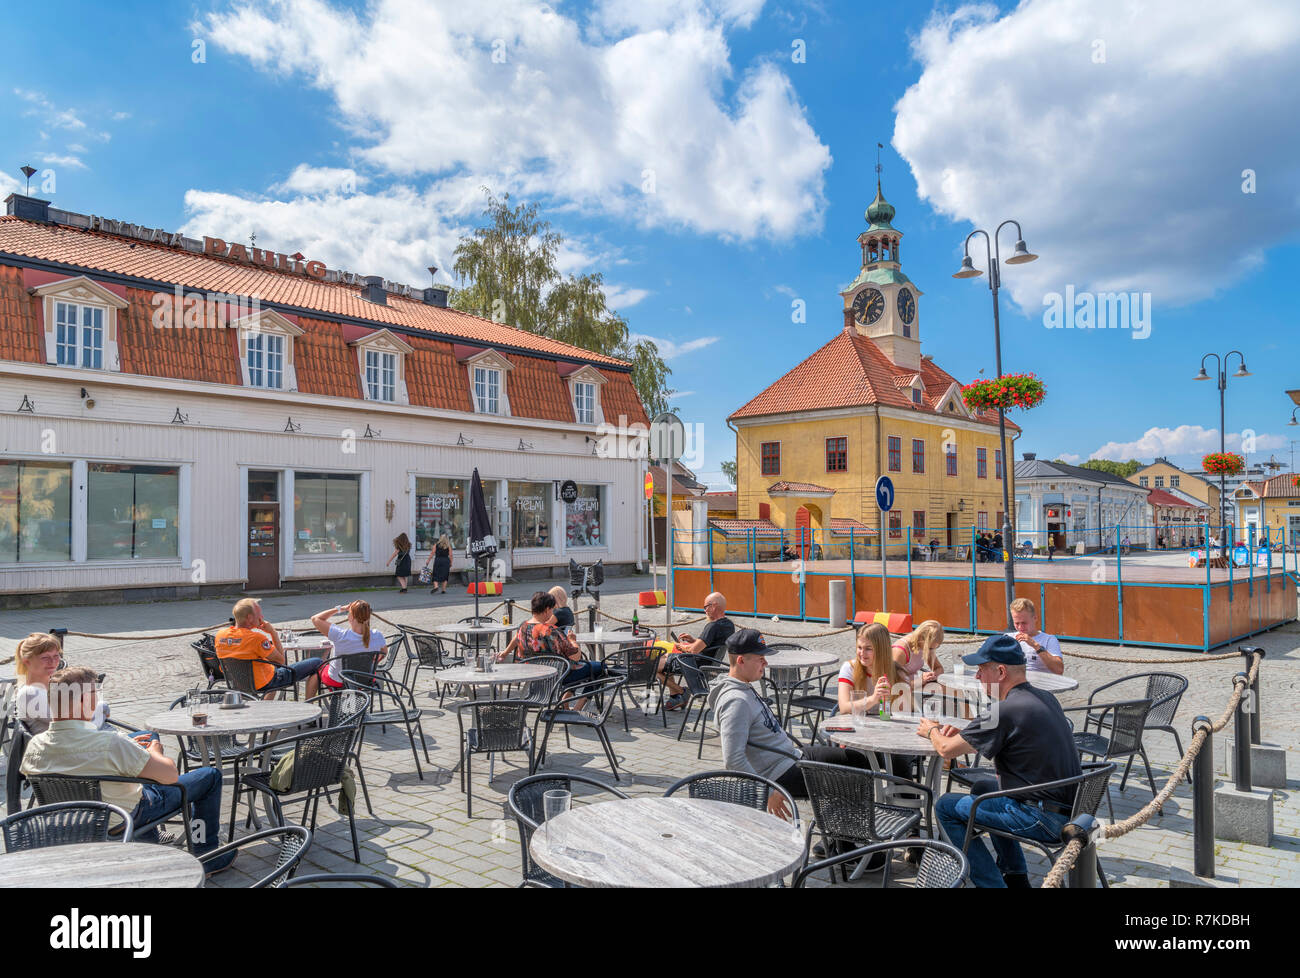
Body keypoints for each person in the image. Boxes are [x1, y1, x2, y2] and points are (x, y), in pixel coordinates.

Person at [21, 666, 236, 875]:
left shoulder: (34, 746)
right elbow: (170, 776)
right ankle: (207, 855)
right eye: (96, 693)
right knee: (209, 777)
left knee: (145, 738)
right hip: (122, 816)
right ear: (84, 700)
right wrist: (154, 752)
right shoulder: (110, 744)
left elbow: (79, 755)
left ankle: (150, 847)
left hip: (70, 820)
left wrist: (131, 747)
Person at [920, 635, 1082, 888]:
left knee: (945, 806)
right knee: (984, 788)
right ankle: (1015, 875)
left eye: (982, 669)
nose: (977, 677)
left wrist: (931, 730)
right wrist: (966, 733)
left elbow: (946, 750)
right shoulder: (1045, 698)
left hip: (1039, 818)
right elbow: (1007, 738)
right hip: (1068, 811)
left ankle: (991, 885)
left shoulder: (1003, 711)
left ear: (1001, 671)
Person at [712, 629, 875, 820]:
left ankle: (833, 835)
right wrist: (768, 791)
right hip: (778, 774)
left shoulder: (744, 686)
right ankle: (841, 842)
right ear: (741, 661)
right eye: (760, 658)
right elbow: (733, 759)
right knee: (852, 778)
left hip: (790, 756)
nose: (765, 663)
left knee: (857, 761)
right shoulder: (736, 701)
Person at [216, 598, 325, 699]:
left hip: (238, 682)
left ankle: (265, 707)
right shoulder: (256, 638)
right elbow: (281, 661)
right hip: (266, 682)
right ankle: (308, 706)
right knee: (318, 663)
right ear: (249, 618)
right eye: (259, 614)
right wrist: (273, 633)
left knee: (271, 667)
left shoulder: (220, 635)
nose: (262, 617)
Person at [515, 590, 606, 707]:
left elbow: (520, 655)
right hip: (558, 675)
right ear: (547, 609)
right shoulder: (550, 630)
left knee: (575, 665)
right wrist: (573, 640)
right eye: (552, 610)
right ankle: (579, 706)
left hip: (533, 675)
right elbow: (575, 656)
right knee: (600, 667)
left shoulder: (522, 628)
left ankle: (566, 702)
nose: (552, 612)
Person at [13, 632, 110, 734]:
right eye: (45, 658)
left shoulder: (49, 686)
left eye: (56, 656)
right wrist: (102, 707)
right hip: (68, 745)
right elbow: (73, 723)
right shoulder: (30, 693)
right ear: (27, 661)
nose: (53, 662)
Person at [661, 591, 734, 710]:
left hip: (694, 664)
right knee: (665, 659)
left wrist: (681, 646)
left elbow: (693, 651)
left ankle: (681, 692)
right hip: (709, 662)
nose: (704, 610)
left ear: (714, 605)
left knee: (653, 665)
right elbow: (707, 644)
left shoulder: (713, 626)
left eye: (706, 607)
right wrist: (693, 640)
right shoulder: (729, 625)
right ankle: (675, 698)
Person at [310, 600, 386, 691]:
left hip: (339, 679)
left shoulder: (340, 635)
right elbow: (384, 652)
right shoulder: (378, 635)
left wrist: (340, 609)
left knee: (315, 672)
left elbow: (315, 618)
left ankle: (309, 704)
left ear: (351, 616)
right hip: (365, 679)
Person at [835, 622, 899, 716]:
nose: (862, 653)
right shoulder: (849, 668)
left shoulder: (895, 669)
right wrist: (873, 699)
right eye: (859, 647)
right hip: (857, 724)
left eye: (868, 649)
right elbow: (844, 708)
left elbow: (906, 711)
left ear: (881, 650)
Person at [1006, 597, 1064, 675]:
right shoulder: (1008, 638)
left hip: (1041, 684)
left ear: (1035, 618)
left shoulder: (1049, 639)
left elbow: (1059, 670)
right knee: (990, 683)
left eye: (1024, 623)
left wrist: (1035, 645)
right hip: (1016, 684)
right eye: (1017, 623)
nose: (1020, 627)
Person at [892, 619, 945, 691]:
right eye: (930, 648)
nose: (931, 651)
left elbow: (939, 668)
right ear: (920, 638)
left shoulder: (924, 645)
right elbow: (895, 686)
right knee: (947, 692)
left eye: (935, 648)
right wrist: (920, 681)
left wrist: (933, 675)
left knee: (951, 690)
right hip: (900, 691)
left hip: (914, 685)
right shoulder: (900, 651)